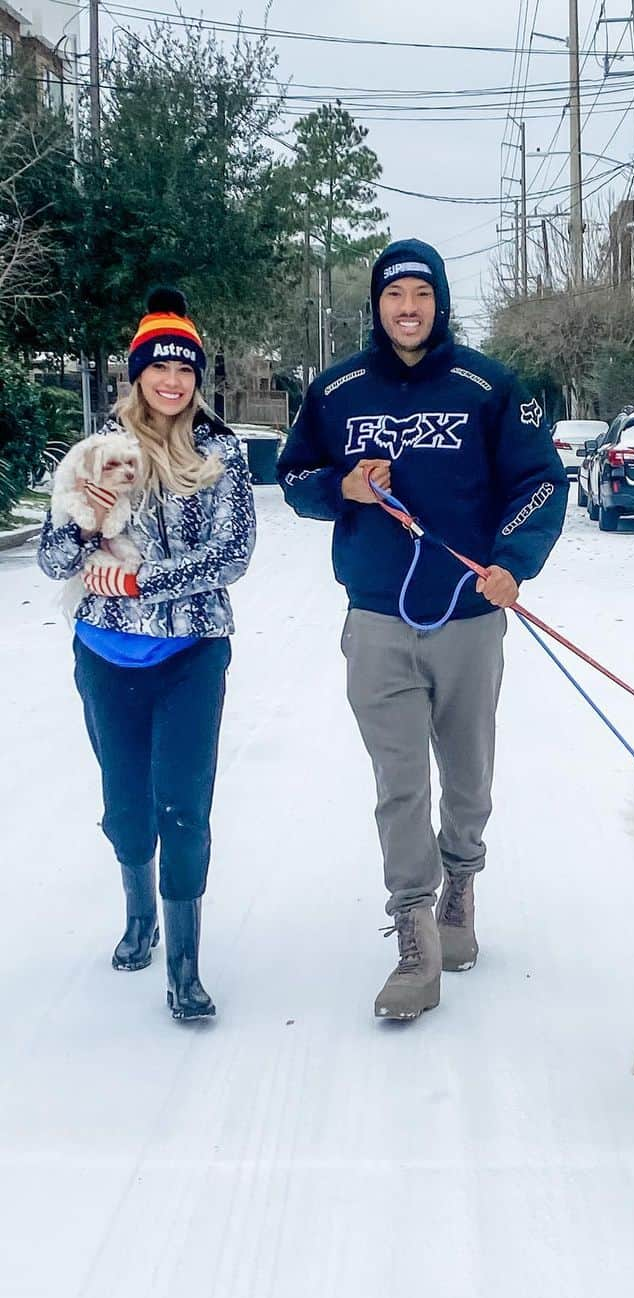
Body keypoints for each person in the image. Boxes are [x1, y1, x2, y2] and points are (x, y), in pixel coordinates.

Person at [278, 239, 567, 1022]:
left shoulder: (486, 385)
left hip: (469, 618)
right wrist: (341, 486)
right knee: (398, 782)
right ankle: (415, 932)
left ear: (439, 303)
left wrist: (513, 561)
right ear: (376, 305)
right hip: (375, 618)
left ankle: (460, 882)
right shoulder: (337, 388)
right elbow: (294, 475)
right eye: (394, 295)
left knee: (466, 772)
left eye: (422, 295)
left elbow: (540, 480)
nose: (408, 308)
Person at [37, 287, 256, 1022]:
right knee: (127, 811)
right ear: (138, 374)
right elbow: (51, 558)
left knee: (183, 810)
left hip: (192, 653)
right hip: (104, 654)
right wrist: (86, 514)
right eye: (158, 368)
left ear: (198, 376)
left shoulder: (222, 449)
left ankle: (185, 968)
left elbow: (231, 554)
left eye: (184, 369)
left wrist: (139, 576)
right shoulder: (96, 449)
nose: (172, 380)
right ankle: (139, 913)